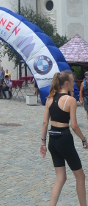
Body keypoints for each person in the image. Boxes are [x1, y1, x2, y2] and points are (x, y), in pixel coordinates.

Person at [40, 70, 87, 206]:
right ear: (67, 83)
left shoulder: (49, 99)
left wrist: (43, 143)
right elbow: (74, 126)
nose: (74, 84)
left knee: (60, 178)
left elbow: (44, 123)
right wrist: (84, 139)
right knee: (80, 176)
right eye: (73, 82)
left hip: (52, 140)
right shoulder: (70, 100)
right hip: (64, 140)